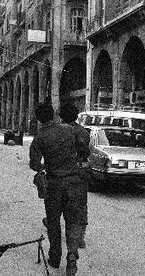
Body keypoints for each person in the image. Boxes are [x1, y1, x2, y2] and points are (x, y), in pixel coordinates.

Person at [29, 103, 90, 275]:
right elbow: (83, 151)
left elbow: (34, 164)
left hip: (54, 184)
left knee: (53, 221)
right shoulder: (70, 130)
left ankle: (55, 257)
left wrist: (45, 166)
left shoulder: (40, 137)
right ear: (54, 115)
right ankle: (72, 254)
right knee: (72, 221)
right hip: (74, 183)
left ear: (39, 119)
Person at [58, 103, 91, 250]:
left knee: (58, 201)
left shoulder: (58, 131)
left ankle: (54, 224)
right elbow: (85, 153)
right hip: (80, 172)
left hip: (62, 171)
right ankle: (80, 238)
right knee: (81, 205)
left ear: (61, 117)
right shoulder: (83, 132)